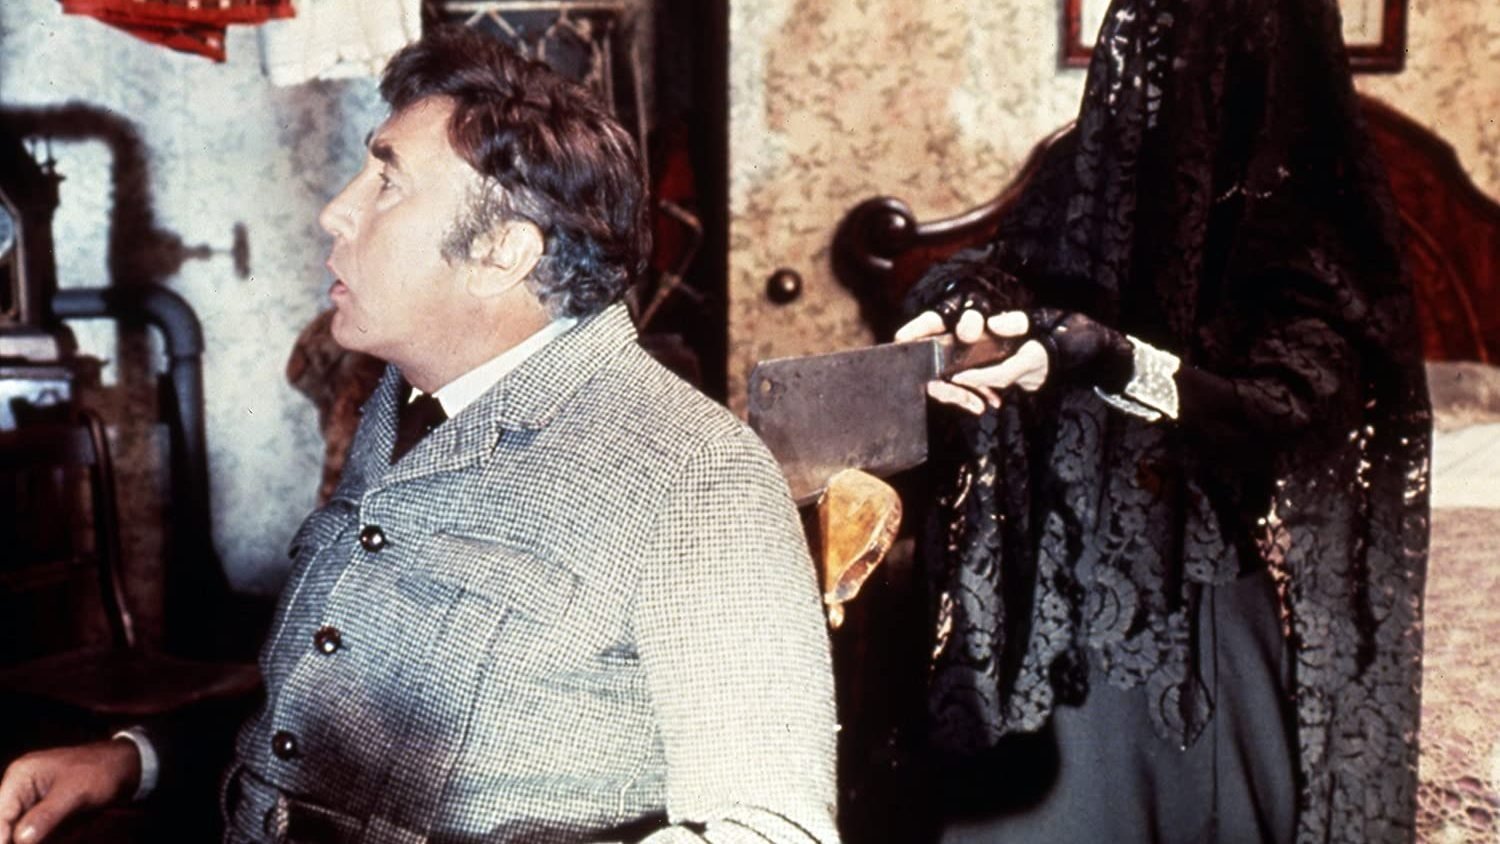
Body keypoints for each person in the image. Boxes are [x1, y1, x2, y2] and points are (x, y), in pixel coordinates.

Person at [0, 27, 839, 844]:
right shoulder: (407, 402)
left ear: (502, 253)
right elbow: (330, 705)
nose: (336, 212)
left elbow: (769, 827)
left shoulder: (696, 477)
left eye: (387, 183)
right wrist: (137, 761)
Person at [893, 0, 1431, 841]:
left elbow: (1280, 406)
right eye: (1165, 38)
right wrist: (964, 307)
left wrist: (1103, 355)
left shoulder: (1316, 213)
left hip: (1204, 601)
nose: (1187, 69)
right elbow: (1008, 267)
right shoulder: (1095, 168)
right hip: (1061, 576)